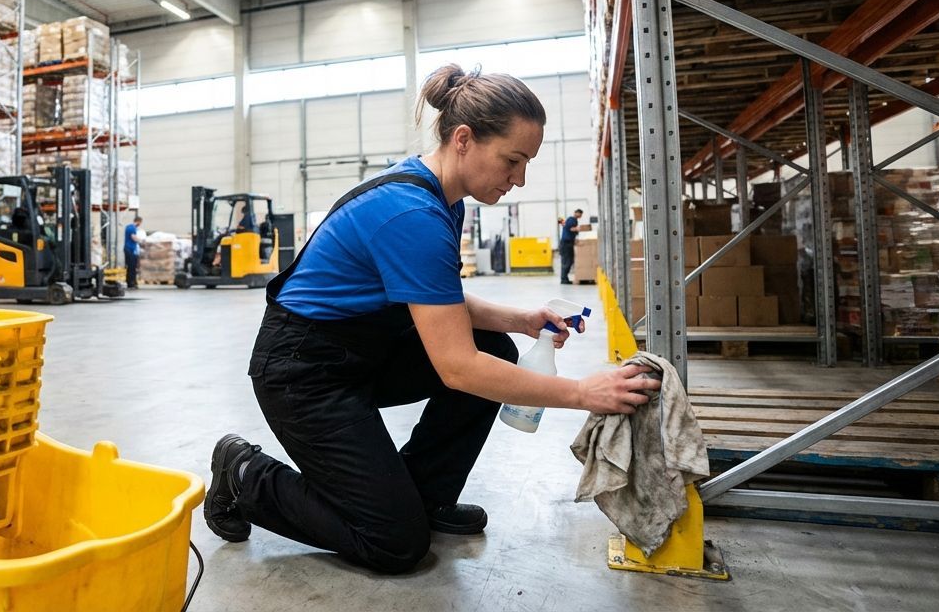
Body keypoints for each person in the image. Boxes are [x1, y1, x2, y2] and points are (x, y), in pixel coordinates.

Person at [205, 65, 660, 574]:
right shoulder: (412, 214)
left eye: (527, 162)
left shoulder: (444, 200)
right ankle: (244, 474)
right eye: (513, 160)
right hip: (302, 373)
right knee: (393, 543)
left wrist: (521, 319)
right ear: (463, 139)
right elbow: (457, 369)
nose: (520, 178)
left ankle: (423, 496)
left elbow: (436, 300)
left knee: (494, 345)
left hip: (359, 353)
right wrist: (582, 393)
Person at [560, 208, 584, 284]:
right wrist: (580, 229)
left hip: (568, 243)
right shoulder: (571, 219)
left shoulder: (574, 220)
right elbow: (571, 229)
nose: (580, 216)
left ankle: (564, 279)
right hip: (566, 243)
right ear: (575, 213)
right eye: (579, 214)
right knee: (567, 261)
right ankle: (564, 279)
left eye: (581, 214)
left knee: (569, 261)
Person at [123, 216, 143, 289]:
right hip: (130, 250)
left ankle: (129, 281)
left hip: (128, 249)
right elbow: (133, 237)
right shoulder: (132, 228)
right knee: (132, 267)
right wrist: (141, 241)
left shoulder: (128, 227)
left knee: (130, 267)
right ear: (138, 221)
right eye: (140, 223)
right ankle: (132, 283)